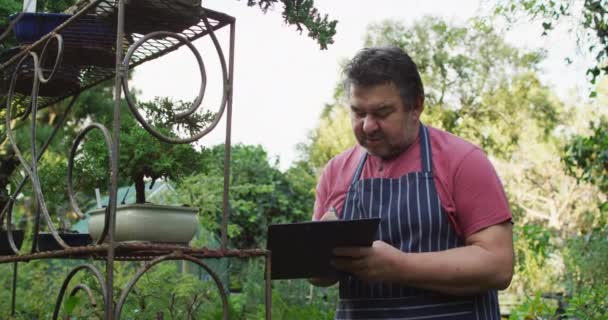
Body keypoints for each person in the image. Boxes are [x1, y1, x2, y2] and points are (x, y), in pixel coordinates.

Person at [310, 46, 514, 319]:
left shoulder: (463, 161)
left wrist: (401, 266)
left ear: (416, 106)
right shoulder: (336, 171)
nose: (368, 126)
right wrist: (318, 257)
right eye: (358, 113)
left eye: (382, 113)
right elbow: (318, 276)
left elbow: (498, 265)